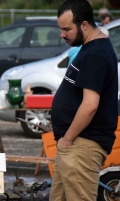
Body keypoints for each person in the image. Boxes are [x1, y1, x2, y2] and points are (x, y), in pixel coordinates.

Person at [50, 0, 118, 200]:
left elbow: (90, 105)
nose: (62, 34)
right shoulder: (90, 49)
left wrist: (67, 139)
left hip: (81, 145)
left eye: (67, 29)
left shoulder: (95, 54)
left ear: (85, 25)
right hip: (74, 146)